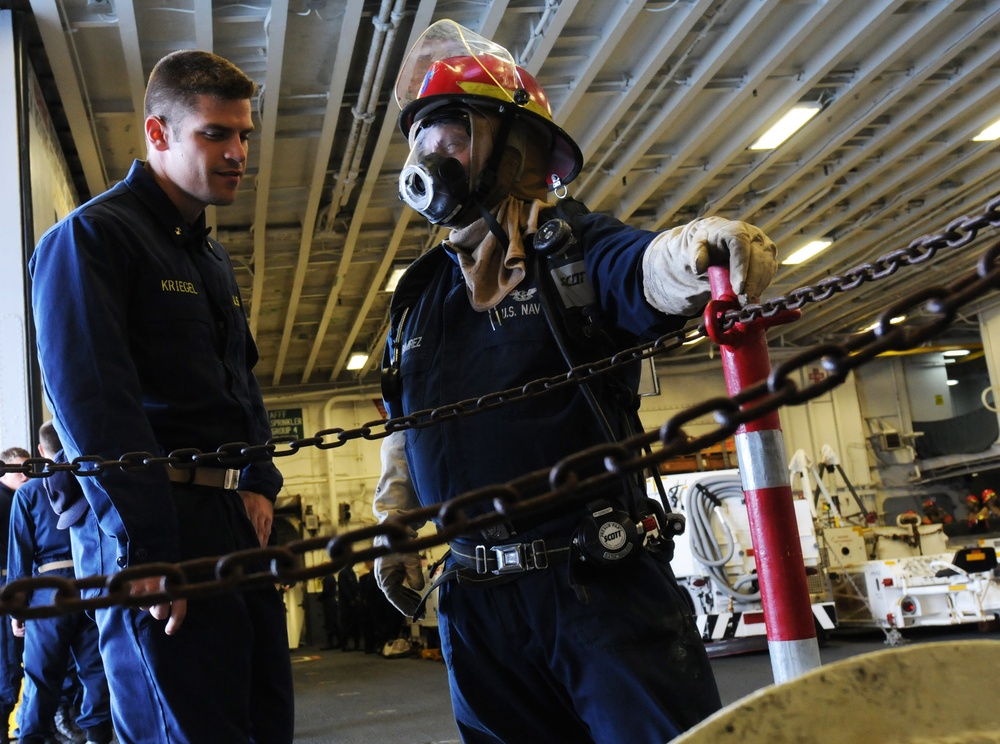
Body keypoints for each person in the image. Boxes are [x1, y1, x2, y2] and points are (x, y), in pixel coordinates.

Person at [372, 20, 779, 743]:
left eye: (453, 134)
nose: (433, 155)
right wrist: (394, 530)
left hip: (598, 587)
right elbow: (404, 429)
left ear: (514, 148)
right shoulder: (421, 292)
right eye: (423, 139)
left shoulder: (575, 248)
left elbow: (645, 271)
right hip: (476, 603)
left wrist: (695, 251)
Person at [29, 50, 293, 744]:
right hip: (154, 529)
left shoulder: (206, 256)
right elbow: (96, 407)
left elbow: (241, 381)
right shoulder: (89, 239)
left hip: (231, 521)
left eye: (244, 136)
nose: (238, 153)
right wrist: (147, 547)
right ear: (157, 134)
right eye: (215, 134)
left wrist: (259, 482)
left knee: (264, 725)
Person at [7, 421, 112, 744]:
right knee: (95, 668)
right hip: (92, 583)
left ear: (40, 452)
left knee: (41, 673)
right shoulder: (90, 482)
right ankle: (98, 734)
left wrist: (17, 609)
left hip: (49, 590)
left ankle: (33, 736)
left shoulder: (28, 492)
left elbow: (19, 555)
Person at [0, 447, 29, 744]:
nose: (26, 475)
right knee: (8, 665)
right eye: (19, 470)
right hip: (7, 590)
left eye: (28, 468)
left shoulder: (18, 500)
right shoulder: (5, 502)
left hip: (15, 588)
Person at [336, 565, 361, 652]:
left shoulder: (352, 573)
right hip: (346, 604)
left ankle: (356, 644)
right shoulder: (343, 573)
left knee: (355, 624)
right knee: (346, 624)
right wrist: (351, 599)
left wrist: (357, 597)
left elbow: (355, 586)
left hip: (354, 602)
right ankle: (344, 644)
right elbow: (344, 588)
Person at [318, 572, 341, 650]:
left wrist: (319, 598)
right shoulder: (332, 577)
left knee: (329, 622)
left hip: (328, 602)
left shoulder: (327, 579)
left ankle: (330, 643)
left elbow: (326, 591)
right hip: (332, 601)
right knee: (334, 622)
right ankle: (340, 641)